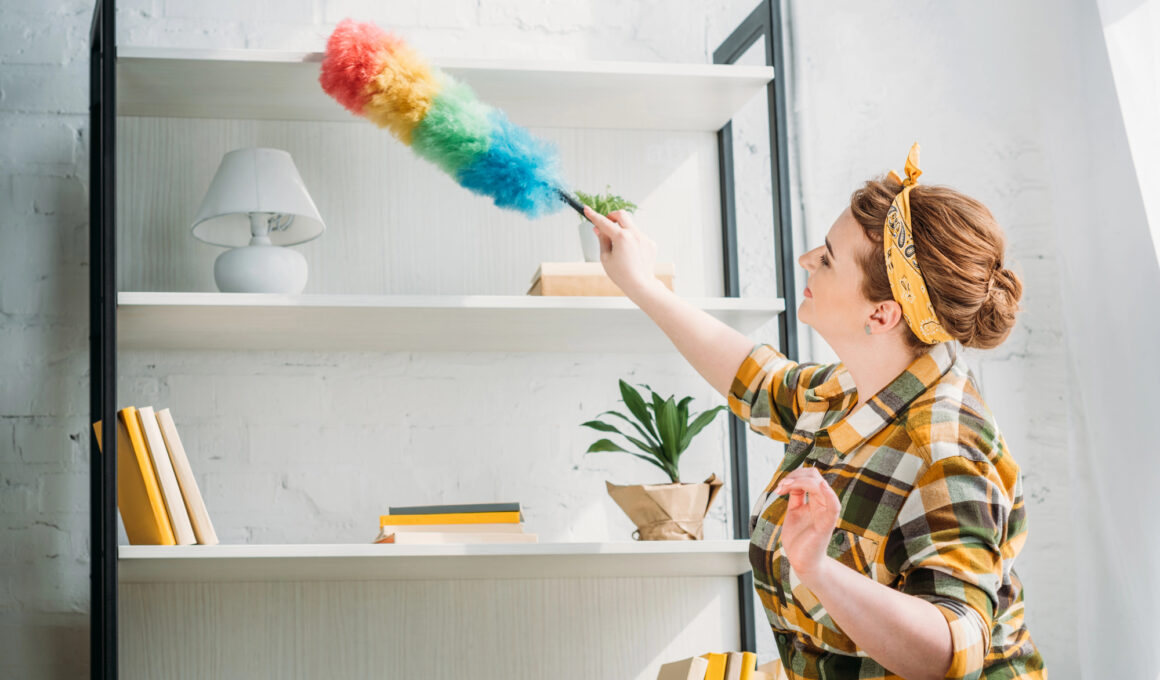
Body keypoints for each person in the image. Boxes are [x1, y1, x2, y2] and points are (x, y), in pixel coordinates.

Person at [583, 144, 1046, 680]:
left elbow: (950, 652)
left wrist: (819, 569)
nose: (806, 259)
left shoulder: (946, 450)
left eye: (827, 257)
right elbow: (760, 380)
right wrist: (643, 284)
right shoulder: (851, 392)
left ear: (882, 313)